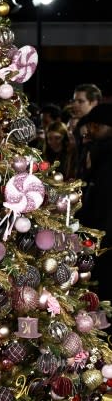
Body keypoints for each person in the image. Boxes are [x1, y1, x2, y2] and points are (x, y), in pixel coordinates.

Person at [78, 103, 112, 301]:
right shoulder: (97, 153)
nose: (89, 131)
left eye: (95, 127)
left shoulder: (106, 158)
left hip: (104, 242)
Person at [69, 83, 102, 177]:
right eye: (74, 101)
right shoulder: (79, 124)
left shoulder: (103, 128)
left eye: (80, 101)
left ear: (94, 102)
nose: (75, 105)